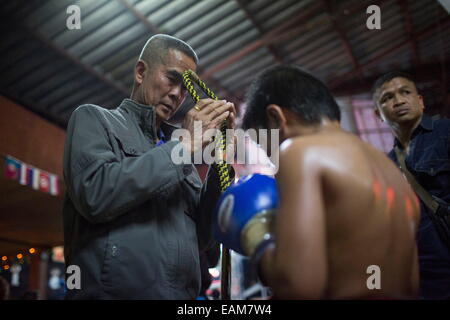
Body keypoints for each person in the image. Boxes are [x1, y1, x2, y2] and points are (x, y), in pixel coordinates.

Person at [214, 65, 420, 299]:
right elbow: (413, 282)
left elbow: (298, 286)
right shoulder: (392, 172)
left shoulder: (300, 152)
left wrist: (257, 236)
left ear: (276, 117)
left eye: (265, 145)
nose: (272, 157)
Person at [63, 34, 235, 299]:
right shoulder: (94, 119)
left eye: (185, 87)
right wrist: (183, 146)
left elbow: (204, 242)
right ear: (141, 72)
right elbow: (94, 194)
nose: (177, 94)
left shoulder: (180, 155)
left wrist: (220, 161)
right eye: (171, 79)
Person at [372, 71, 450, 299]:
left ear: (420, 101)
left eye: (405, 92)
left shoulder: (445, 132)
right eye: (387, 98)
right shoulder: (386, 165)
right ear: (378, 114)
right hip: (431, 278)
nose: (398, 101)